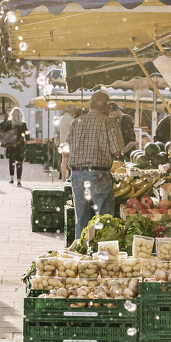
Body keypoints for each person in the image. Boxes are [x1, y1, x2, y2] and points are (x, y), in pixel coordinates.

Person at [66, 91, 124, 238]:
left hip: (77, 174)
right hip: (99, 175)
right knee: (103, 219)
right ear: (107, 106)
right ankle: (102, 251)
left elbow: (68, 148)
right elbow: (117, 151)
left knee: (81, 219)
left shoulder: (76, 122)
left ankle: (82, 250)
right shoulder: (109, 122)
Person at [0, 107, 29, 186]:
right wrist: (25, 139)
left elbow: (4, 132)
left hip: (11, 145)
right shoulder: (23, 124)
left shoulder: (9, 123)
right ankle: (19, 181)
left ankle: (11, 179)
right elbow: (27, 135)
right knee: (19, 163)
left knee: (11, 162)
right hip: (20, 145)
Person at [57, 105, 75, 182]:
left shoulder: (61, 118)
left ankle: (63, 177)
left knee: (64, 161)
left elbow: (58, 130)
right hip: (70, 142)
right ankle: (70, 176)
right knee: (71, 160)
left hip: (62, 142)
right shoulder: (71, 119)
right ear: (72, 111)